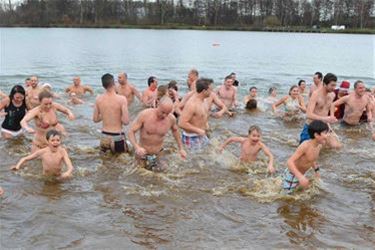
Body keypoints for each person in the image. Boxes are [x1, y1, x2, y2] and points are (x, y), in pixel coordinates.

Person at [128, 97, 187, 171]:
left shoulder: (171, 119)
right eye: (163, 112)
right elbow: (131, 132)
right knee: (141, 174)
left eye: (167, 113)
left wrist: (181, 149)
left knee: (164, 172)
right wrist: (137, 147)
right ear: (158, 104)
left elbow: (175, 131)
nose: (164, 115)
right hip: (142, 153)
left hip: (158, 153)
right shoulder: (145, 115)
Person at [283, 120, 328, 193]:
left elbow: (312, 159)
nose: (327, 135)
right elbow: (289, 162)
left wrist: (317, 172)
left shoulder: (319, 145)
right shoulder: (305, 145)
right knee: (286, 198)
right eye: (325, 133)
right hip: (292, 175)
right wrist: (300, 177)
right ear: (316, 135)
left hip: (302, 174)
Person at [300, 73, 340, 148]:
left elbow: (330, 105)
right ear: (325, 84)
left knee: (337, 147)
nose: (334, 88)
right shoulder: (316, 95)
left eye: (335, 85)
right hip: (312, 126)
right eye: (332, 85)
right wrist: (325, 119)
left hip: (324, 126)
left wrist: (331, 116)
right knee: (306, 151)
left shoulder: (332, 95)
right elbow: (308, 114)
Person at [93, 73, 129, 153]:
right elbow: (126, 121)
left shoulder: (98, 99)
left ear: (103, 86)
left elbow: (95, 119)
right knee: (122, 163)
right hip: (117, 137)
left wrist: (105, 115)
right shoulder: (122, 99)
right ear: (114, 83)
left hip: (104, 136)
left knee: (105, 163)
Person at [178, 78, 212, 151]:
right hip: (191, 137)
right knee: (195, 161)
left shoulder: (204, 100)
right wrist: (198, 130)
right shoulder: (192, 104)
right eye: (210, 90)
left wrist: (206, 126)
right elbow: (181, 123)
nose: (212, 92)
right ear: (204, 91)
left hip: (202, 135)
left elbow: (203, 115)